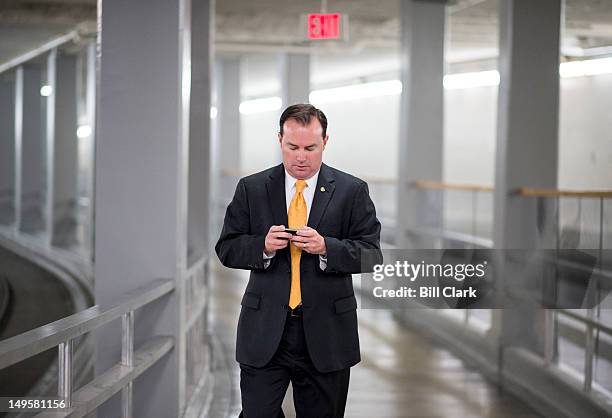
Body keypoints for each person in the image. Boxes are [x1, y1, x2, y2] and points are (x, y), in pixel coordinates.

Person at [215, 104, 382, 417]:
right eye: (292, 147)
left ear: (325, 142)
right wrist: (261, 246)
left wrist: (326, 248)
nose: (301, 156)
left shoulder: (351, 191)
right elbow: (226, 248)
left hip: (327, 334)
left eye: (310, 148)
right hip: (264, 332)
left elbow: (372, 254)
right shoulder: (252, 188)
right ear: (280, 140)